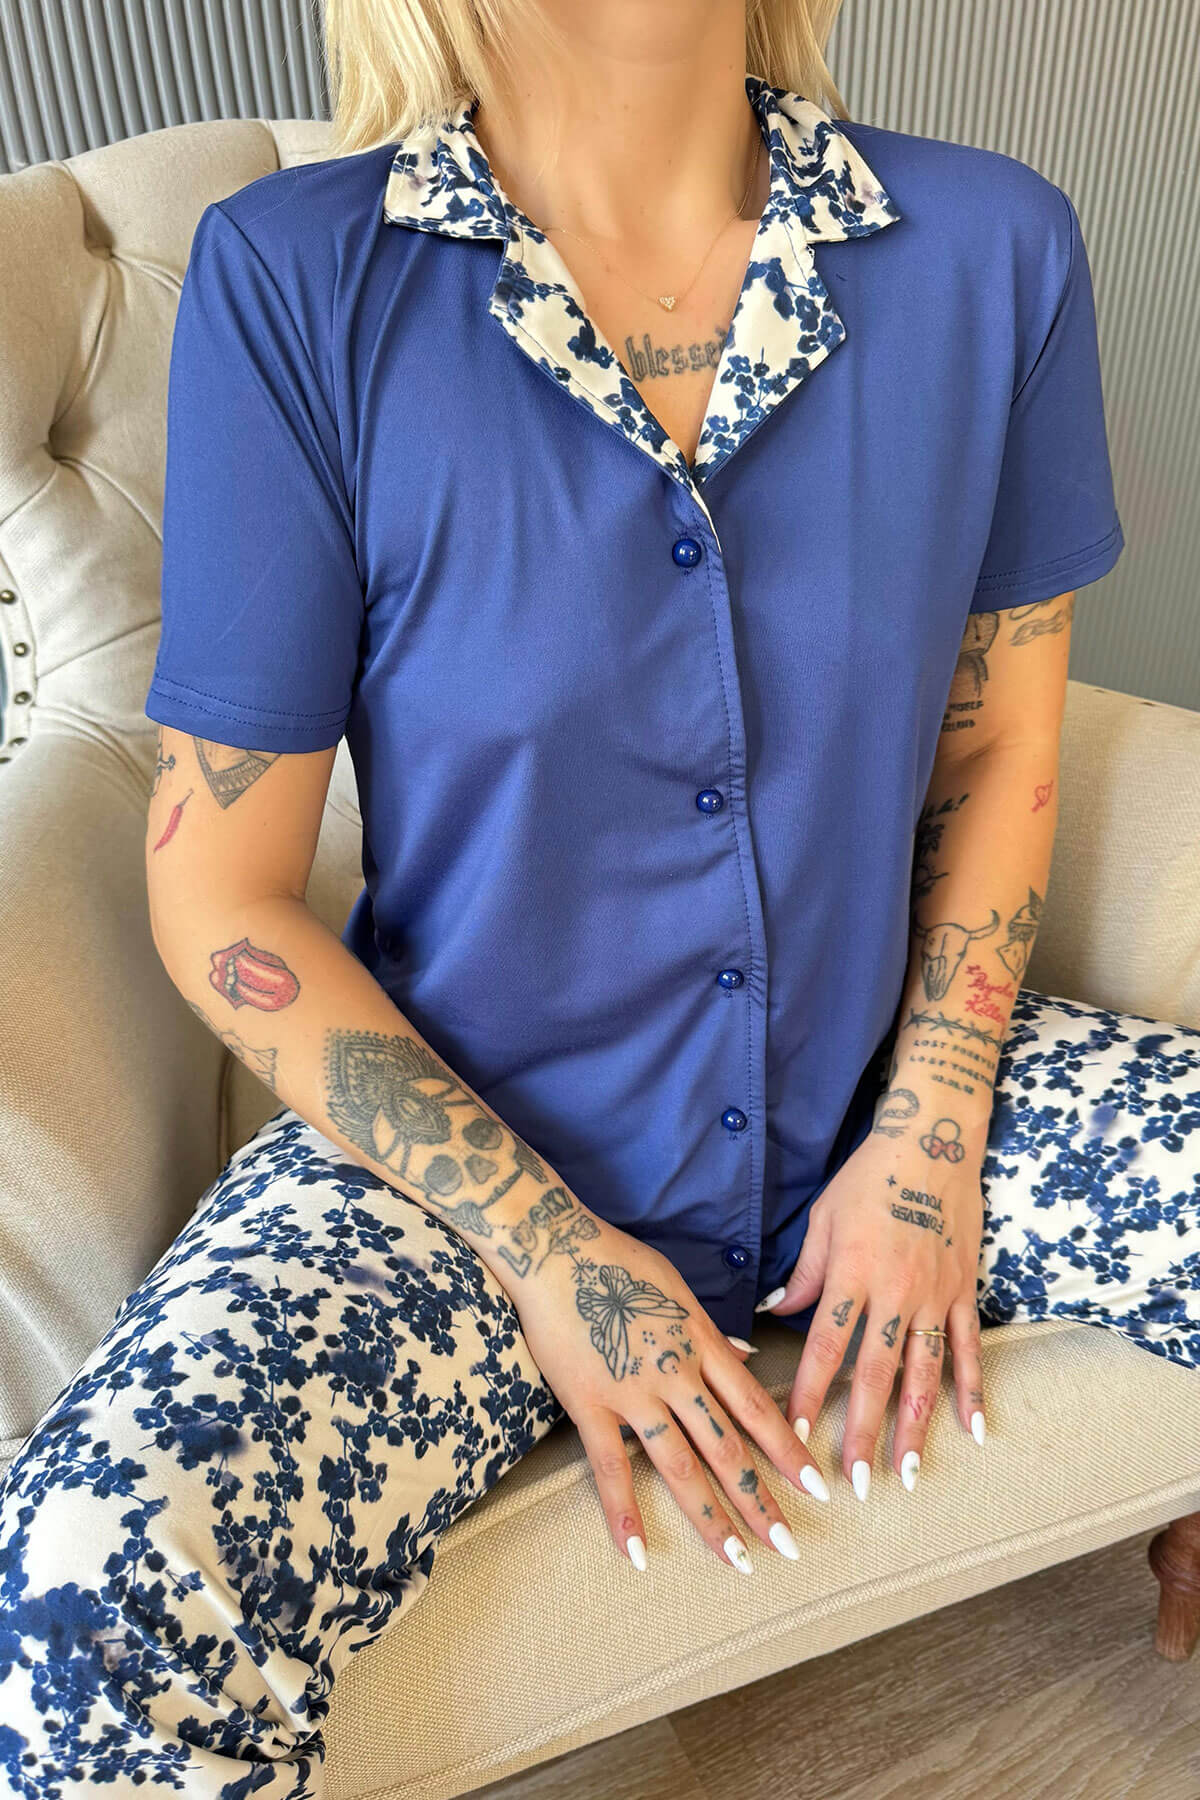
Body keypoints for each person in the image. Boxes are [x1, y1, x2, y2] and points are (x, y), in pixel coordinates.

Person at [1, 0, 1196, 1793]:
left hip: (884, 1082)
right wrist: (554, 1255)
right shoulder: (299, 281)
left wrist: (931, 1135)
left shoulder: (989, 248)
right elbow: (221, 897)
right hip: (463, 1166)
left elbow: (998, 749)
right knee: (89, 1596)